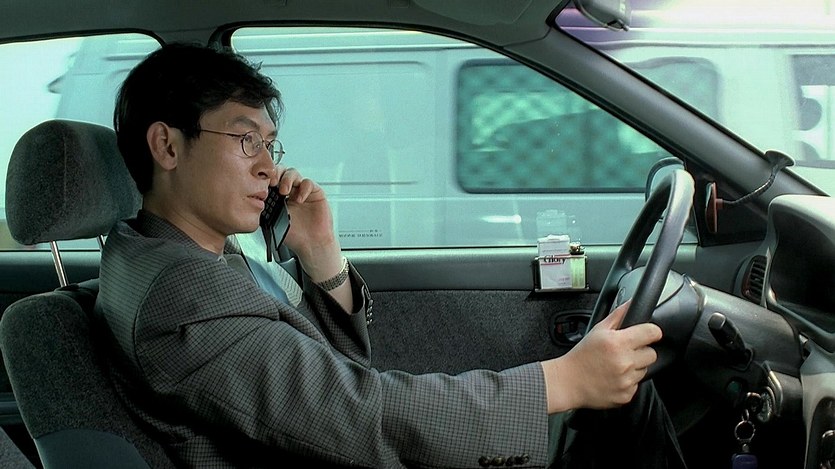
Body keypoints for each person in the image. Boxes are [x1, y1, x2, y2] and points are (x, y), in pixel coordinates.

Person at [97, 42, 682, 468]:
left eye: (270, 146)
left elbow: (332, 372)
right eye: (246, 140)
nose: (269, 169)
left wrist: (321, 253)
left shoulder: (193, 257)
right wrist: (561, 381)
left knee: (626, 406)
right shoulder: (181, 291)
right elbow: (358, 412)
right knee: (623, 413)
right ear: (167, 145)